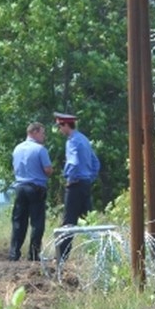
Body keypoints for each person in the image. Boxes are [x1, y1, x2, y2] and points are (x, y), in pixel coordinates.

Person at [54, 112, 100, 262]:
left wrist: (69, 178)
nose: (60, 129)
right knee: (88, 220)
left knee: (68, 222)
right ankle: (99, 253)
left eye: (60, 126)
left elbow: (72, 162)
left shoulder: (72, 141)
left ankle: (61, 258)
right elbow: (95, 163)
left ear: (66, 125)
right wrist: (89, 178)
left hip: (75, 185)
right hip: (85, 183)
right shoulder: (84, 139)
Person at [8, 121, 53, 261]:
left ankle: (14, 253)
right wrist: (51, 171)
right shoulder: (40, 150)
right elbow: (47, 170)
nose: (44, 136)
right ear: (34, 132)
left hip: (20, 187)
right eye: (42, 133)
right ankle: (33, 254)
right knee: (37, 222)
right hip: (36, 188)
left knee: (18, 221)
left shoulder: (17, 149)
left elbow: (15, 168)